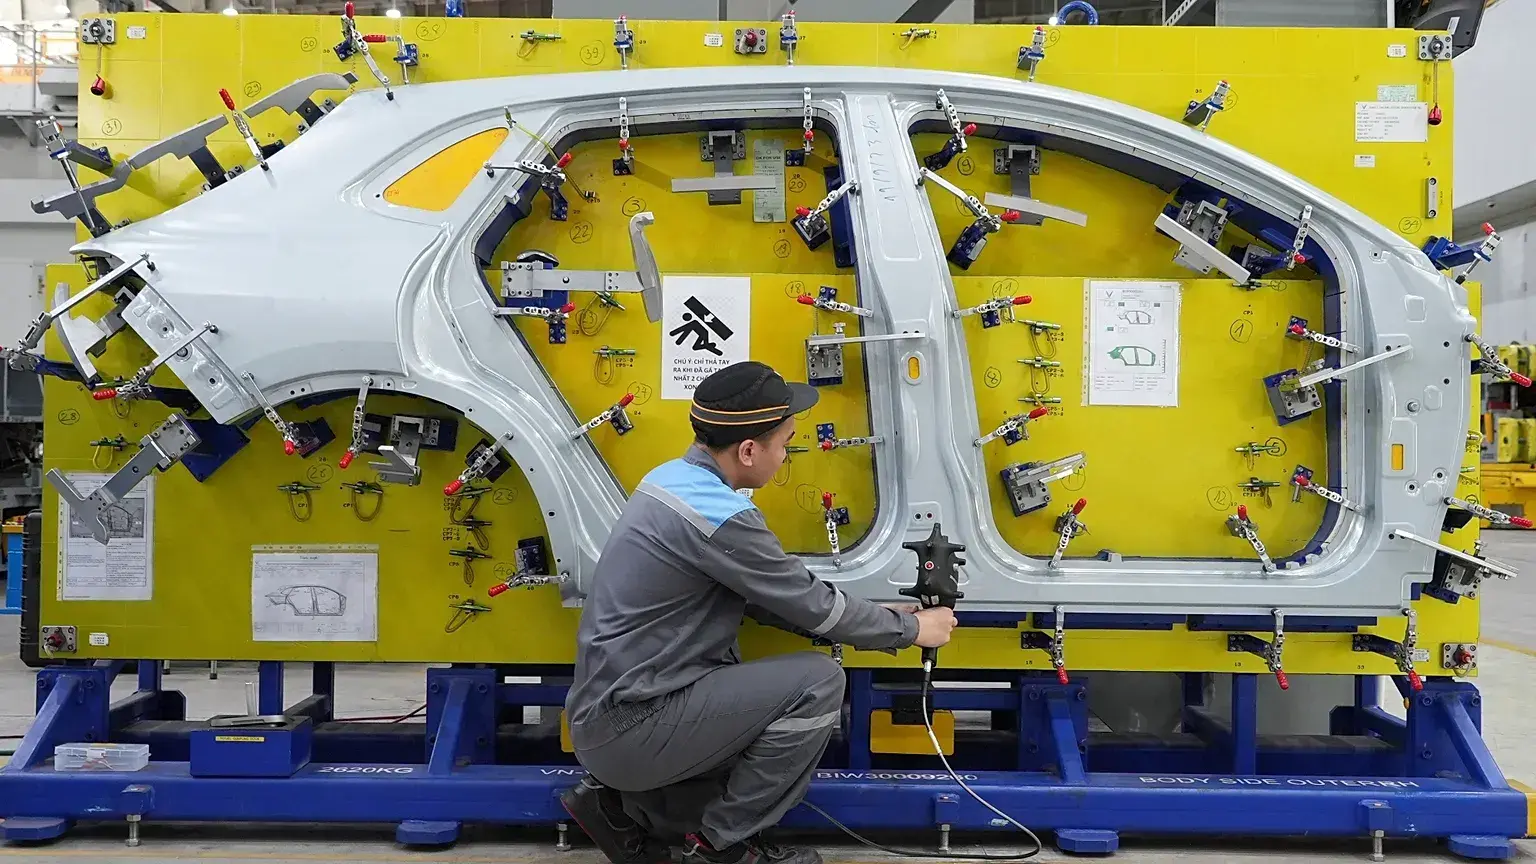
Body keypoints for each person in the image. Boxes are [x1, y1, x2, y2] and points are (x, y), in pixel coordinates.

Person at [560, 361, 958, 864]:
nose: (787, 454)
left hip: (609, 718)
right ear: (749, 451)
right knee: (819, 682)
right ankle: (717, 846)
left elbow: (772, 597)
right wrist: (913, 629)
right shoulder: (722, 517)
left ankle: (630, 809)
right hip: (634, 726)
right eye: (786, 444)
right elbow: (814, 606)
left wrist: (881, 615)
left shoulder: (671, 481)